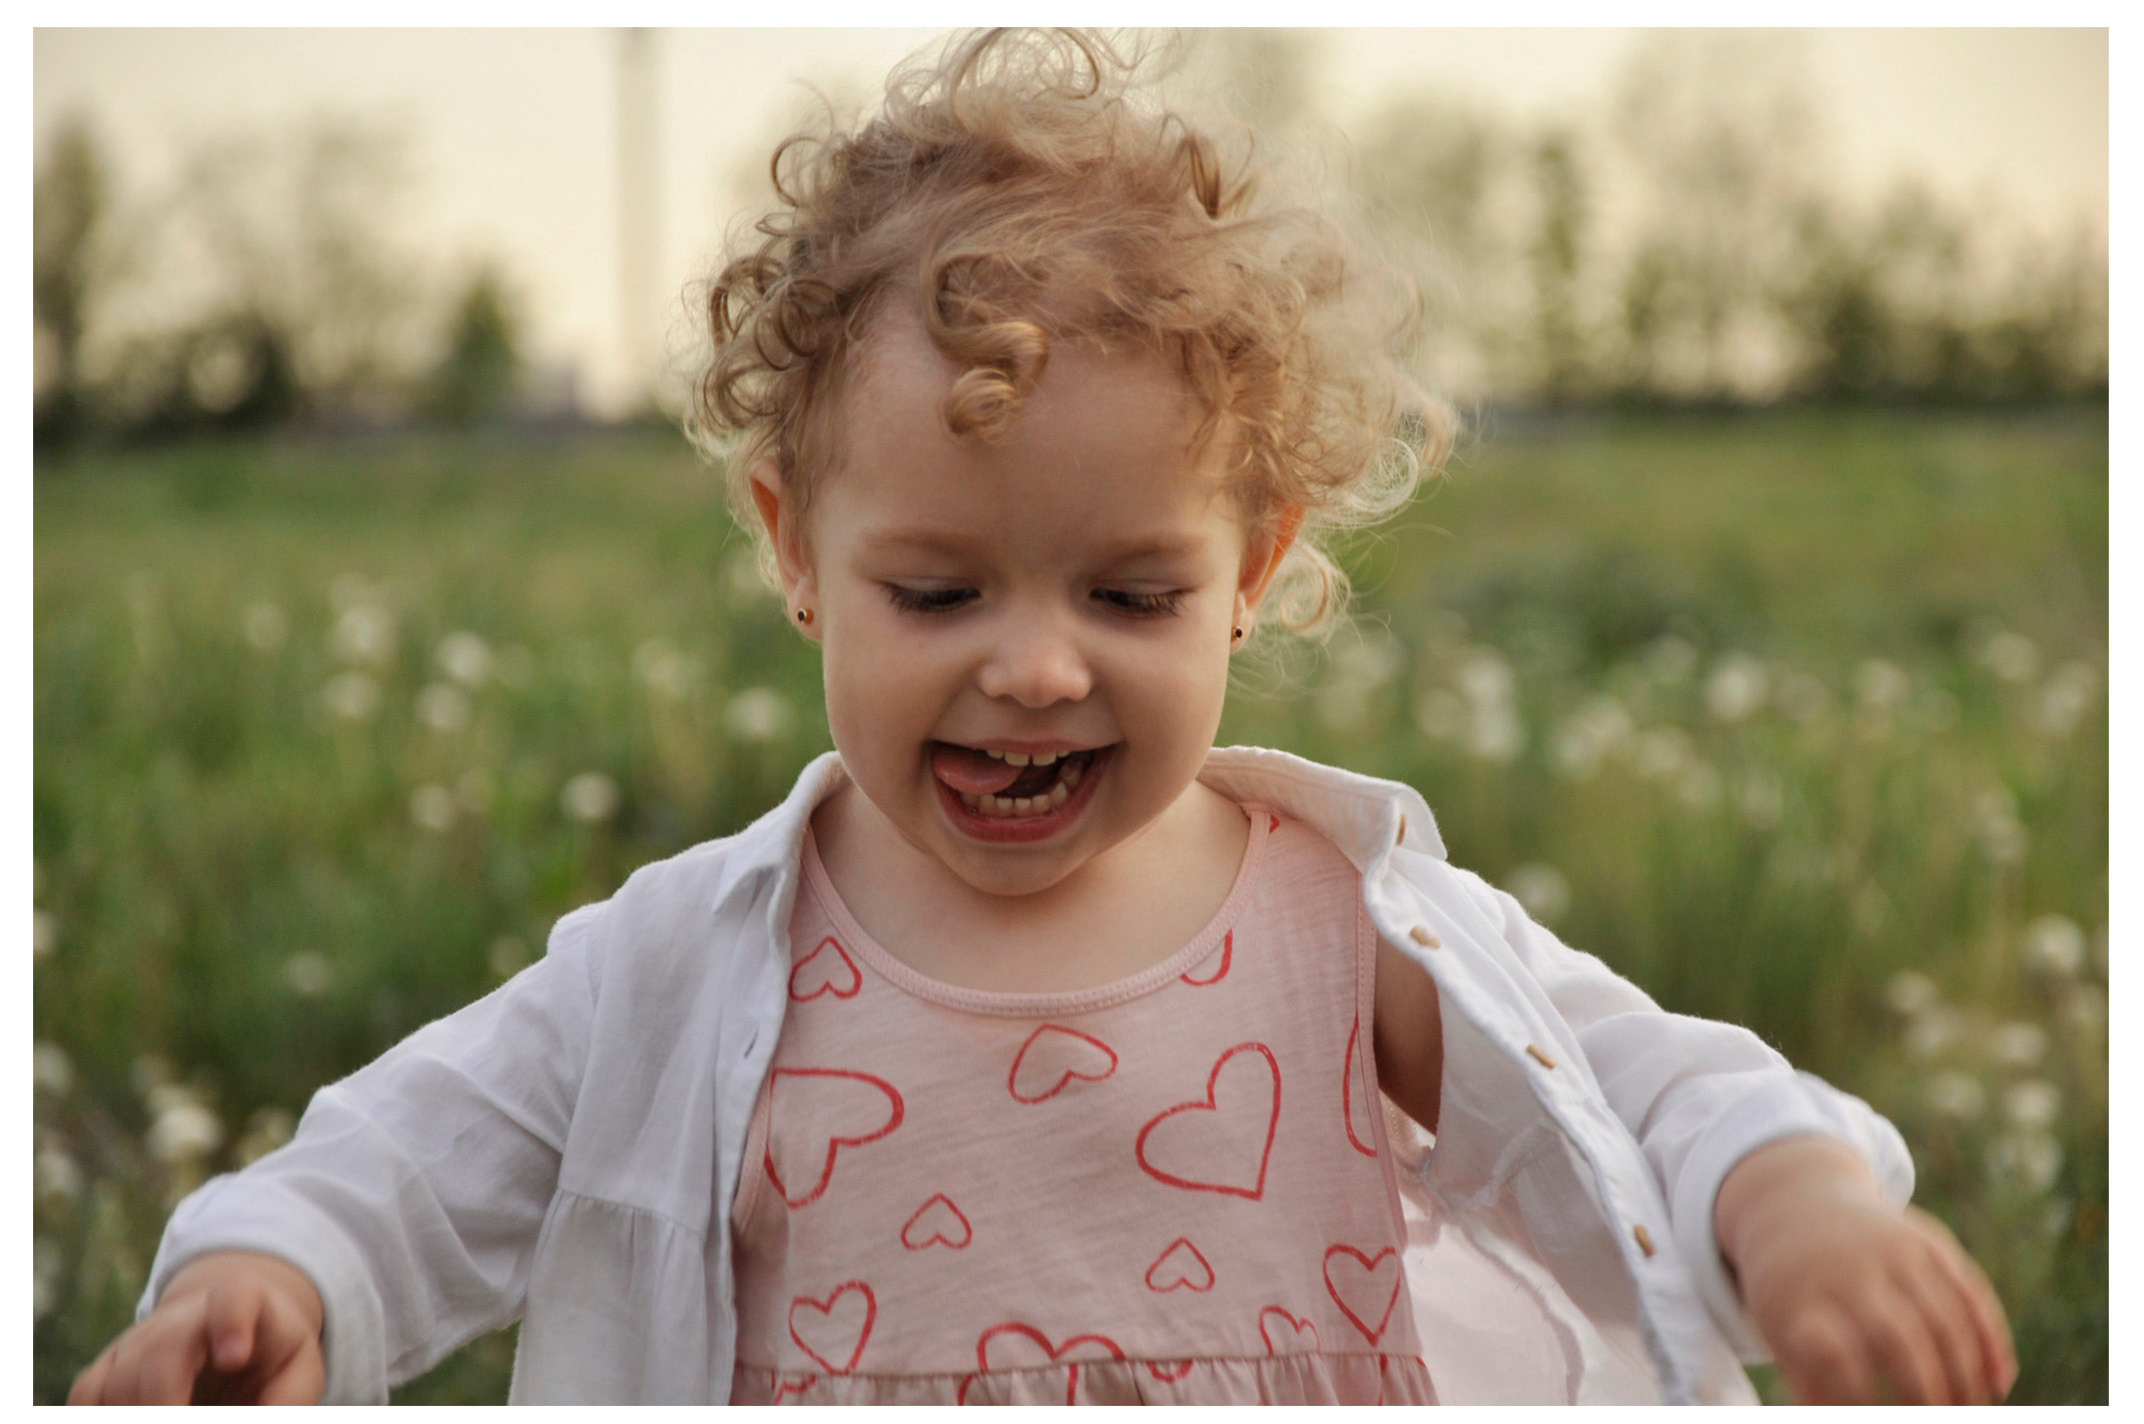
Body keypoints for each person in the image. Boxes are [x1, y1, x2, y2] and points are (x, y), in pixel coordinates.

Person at [70, 29, 2014, 1406]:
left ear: (1251, 567)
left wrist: (1793, 1200)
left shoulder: (1342, 919)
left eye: (1129, 594)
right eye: (938, 593)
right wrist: (275, 1278)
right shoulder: (688, 960)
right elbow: (414, 1157)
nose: (1033, 668)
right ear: (796, 548)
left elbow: (1638, 1081)